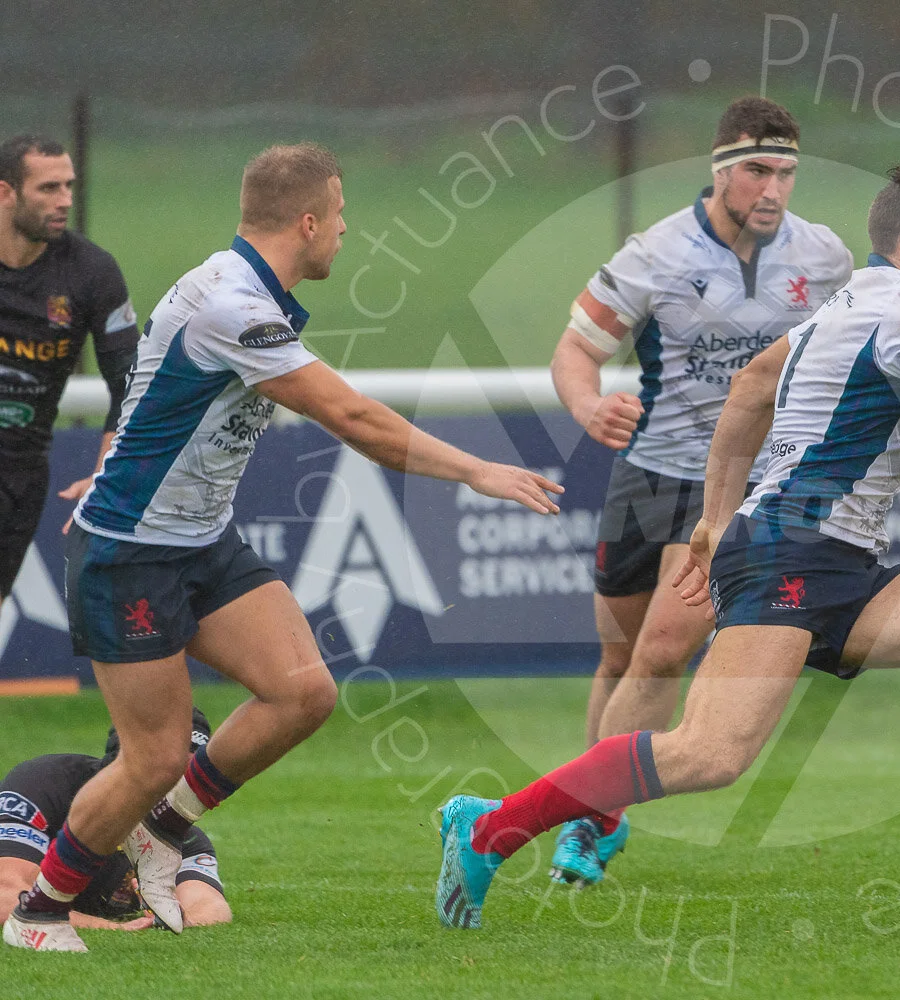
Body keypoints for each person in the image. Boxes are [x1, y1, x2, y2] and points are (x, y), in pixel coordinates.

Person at [436, 165, 900, 931]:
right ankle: (488, 826)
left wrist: (715, 521)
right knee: (708, 753)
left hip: (832, 561)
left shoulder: (851, 302)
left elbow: (752, 386)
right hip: (793, 554)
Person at [2, 142, 563, 953]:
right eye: (340, 216)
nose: (345, 231)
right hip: (132, 552)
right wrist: (476, 470)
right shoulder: (234, 306)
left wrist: (124, 465)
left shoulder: (239, 288)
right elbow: (355, 419)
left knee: (303, 693)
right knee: (153, 754)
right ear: (307, 221)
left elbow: (157, 391)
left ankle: (161, 832)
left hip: (199, 539)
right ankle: (40, 911)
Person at [546, 96, 852, 884]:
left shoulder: (823, 259)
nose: (773, 189)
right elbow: (575, 352)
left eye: (785, 171)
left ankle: (586, 817)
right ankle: (581, 800)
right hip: (651, 477)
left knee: (661, 648)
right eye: (757, 170)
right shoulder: (655, 255)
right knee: (619, 657)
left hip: (740, 491)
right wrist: (588, 404)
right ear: (719, 171)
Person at [0, 134, 138, 605]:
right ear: (5, 193)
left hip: (18, 476)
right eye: (48, 189)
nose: (65, 201)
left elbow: (130, 385)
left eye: (69, 187)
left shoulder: (91, 273)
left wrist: (104, 477)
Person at [0, 708, 231, 935]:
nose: (174, 784)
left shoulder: (183, 838)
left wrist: (177, 917)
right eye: (160, 768)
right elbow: (4, 896)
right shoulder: (44, 785)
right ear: (121, 761)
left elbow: (211, 907)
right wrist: (112, 928)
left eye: (186, 773)